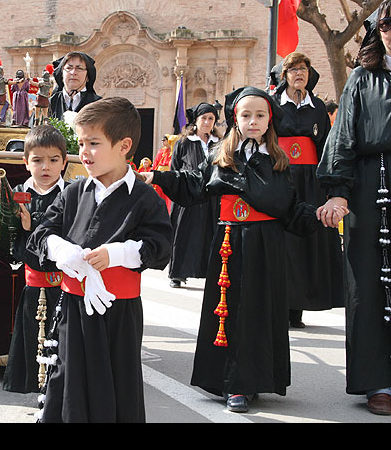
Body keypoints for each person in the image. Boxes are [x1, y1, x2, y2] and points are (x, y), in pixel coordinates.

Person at [143, 86, 321, 413]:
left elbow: (290, 208)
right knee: (232, 313)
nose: (253, 121)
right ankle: (233, 383)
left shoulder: (280, 160)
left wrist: (320, 215)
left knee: (259, 312)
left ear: (270, 119)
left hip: (267, 247)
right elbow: (192, 184)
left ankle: (256, 380)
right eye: (246, 114)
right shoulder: (222, 157)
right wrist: (156, 176)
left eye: (260, 115)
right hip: (230, 246)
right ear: (235, 118)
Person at [28, 97, 172, 422]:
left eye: (94, 143)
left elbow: (160, 246)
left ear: (124, 146)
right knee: (69, 383)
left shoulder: (144, 199)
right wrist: (61, 250)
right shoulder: (73, 193)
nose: (84, 152)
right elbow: (40, 234)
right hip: (74, 309)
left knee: (116, 385)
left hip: (119, 314)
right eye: (81, 143)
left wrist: (117, 254)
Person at [316, 0, 391, 416]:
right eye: (387, 26)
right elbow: (343, 134)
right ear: (378, 32)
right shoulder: (364, 78)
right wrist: (338, 191)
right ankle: (377, 381)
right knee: (369, 282)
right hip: (371, 188)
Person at [0, 125, 68, 393]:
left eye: (53, 160)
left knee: (61, 333)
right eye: (37, 160)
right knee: (30, 330)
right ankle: (30, 380)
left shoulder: (71, 193)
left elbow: (65, 225)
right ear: (26, 163)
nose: (46, 167)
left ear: (64, 161)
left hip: (63, 281)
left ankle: (60, 382)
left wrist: (32, 221)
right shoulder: (17, 191)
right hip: (31, 278)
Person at [270, 52, 344, 328]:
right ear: (284, 75)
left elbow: (326, 146)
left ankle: (298, 307)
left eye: (303, 69)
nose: (298, 73)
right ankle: (281, 302)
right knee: (284, 240)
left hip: (311, 180)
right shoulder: (274, 105)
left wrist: (328, 184)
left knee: (305, 241)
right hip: (283, 176)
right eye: (293, 69)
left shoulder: (317, 108)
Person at [167, 102, 220, 288]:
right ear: (196, 121)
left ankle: (209, 272)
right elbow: (174, 169)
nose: (207, 122)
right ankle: (177, 273)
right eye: (203, 118)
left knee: (210, 234)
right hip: (187, 197)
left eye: (210, 119)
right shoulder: (184, 143)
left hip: (212, 197)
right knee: (183, 234)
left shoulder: (219, 144)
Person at [48, 51, 101, 120]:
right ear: (61, 74)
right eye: (69, 68)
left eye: (79, 68)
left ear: (88, 76)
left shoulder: (98, 105)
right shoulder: (50, 104)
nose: (73, 73)